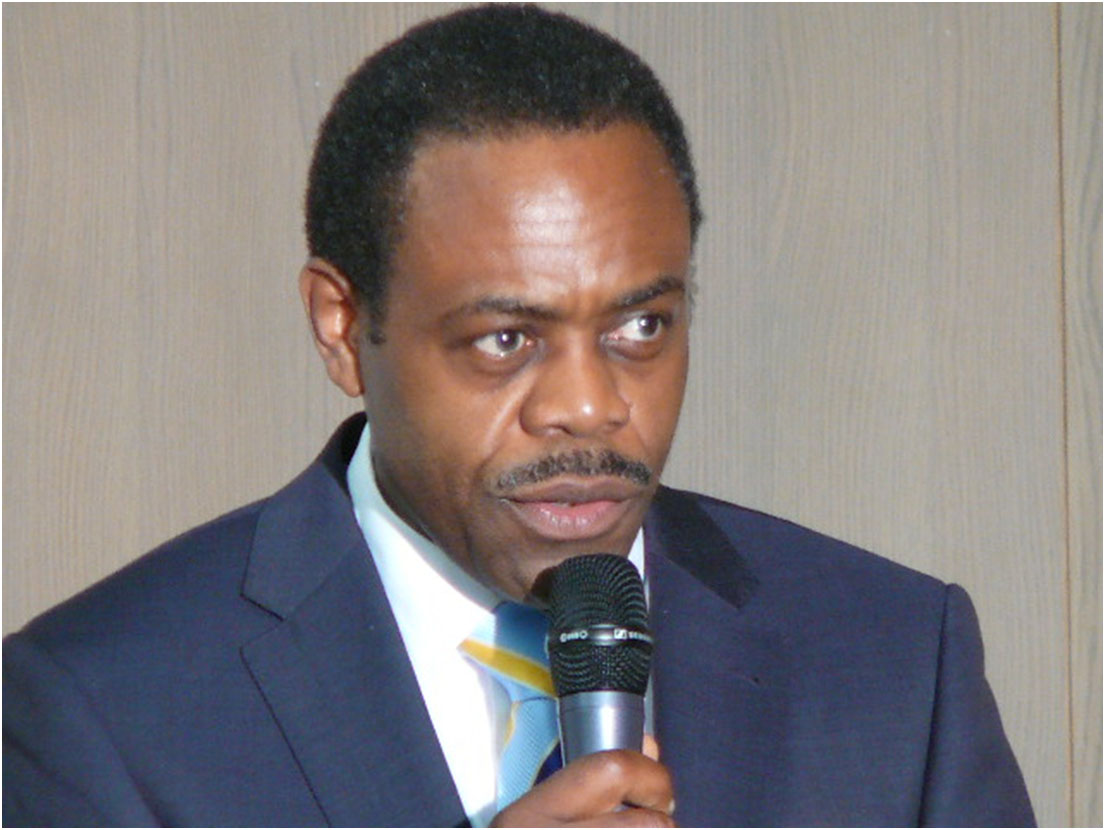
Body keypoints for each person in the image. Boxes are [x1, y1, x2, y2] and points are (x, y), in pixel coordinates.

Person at [3, 5, 1034, 827]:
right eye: (505, 339)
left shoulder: (896, 662)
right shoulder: (105, 708)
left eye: (640, 326)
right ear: (342, 326)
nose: (588, 406)